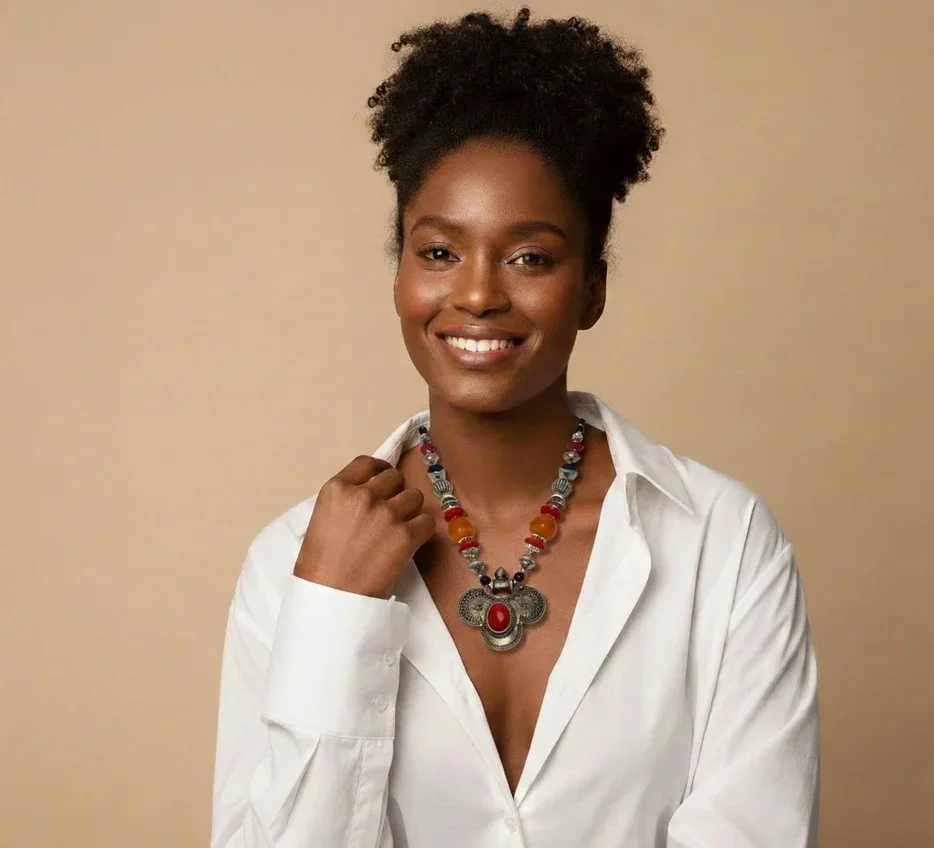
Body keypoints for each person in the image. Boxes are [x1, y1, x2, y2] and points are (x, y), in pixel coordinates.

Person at [210, 8, 819, 847]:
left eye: (530, 256)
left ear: (593, 288)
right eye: (438, 252)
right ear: (399, 276)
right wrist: (333, 616)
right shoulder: (292, 568)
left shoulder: (726, 545)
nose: (478, 294)